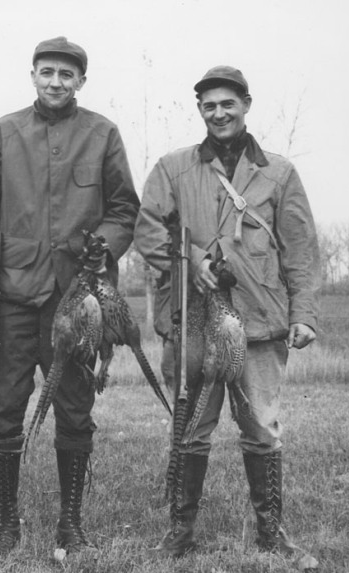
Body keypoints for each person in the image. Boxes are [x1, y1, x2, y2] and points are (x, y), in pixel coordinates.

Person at [134, 66, 320, 569]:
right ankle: (180, 533)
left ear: (246, 105)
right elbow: (147, 230)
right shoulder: (173, 168)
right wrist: (191, 259)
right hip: (193, 322)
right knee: (191, 428)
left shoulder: (279, 172)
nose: (219, 113)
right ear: (200, 110)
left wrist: (303, 313)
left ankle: (271, 533)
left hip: (260, 322)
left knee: (261, 428)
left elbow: (300, 248)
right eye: (209, 106)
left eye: (227, 104)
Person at [0, 36, 140, 557]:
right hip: (12, 296)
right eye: (47, 72)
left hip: (77, 302)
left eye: (66, 74)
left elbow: (124, 209)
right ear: (33, 75)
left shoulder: (103, 133)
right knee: (3, 411)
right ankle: (6, 522)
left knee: (75, 410)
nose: (56, 82)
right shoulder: (3, 132)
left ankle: (71, 523)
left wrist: (103, 246)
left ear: (80, 80)